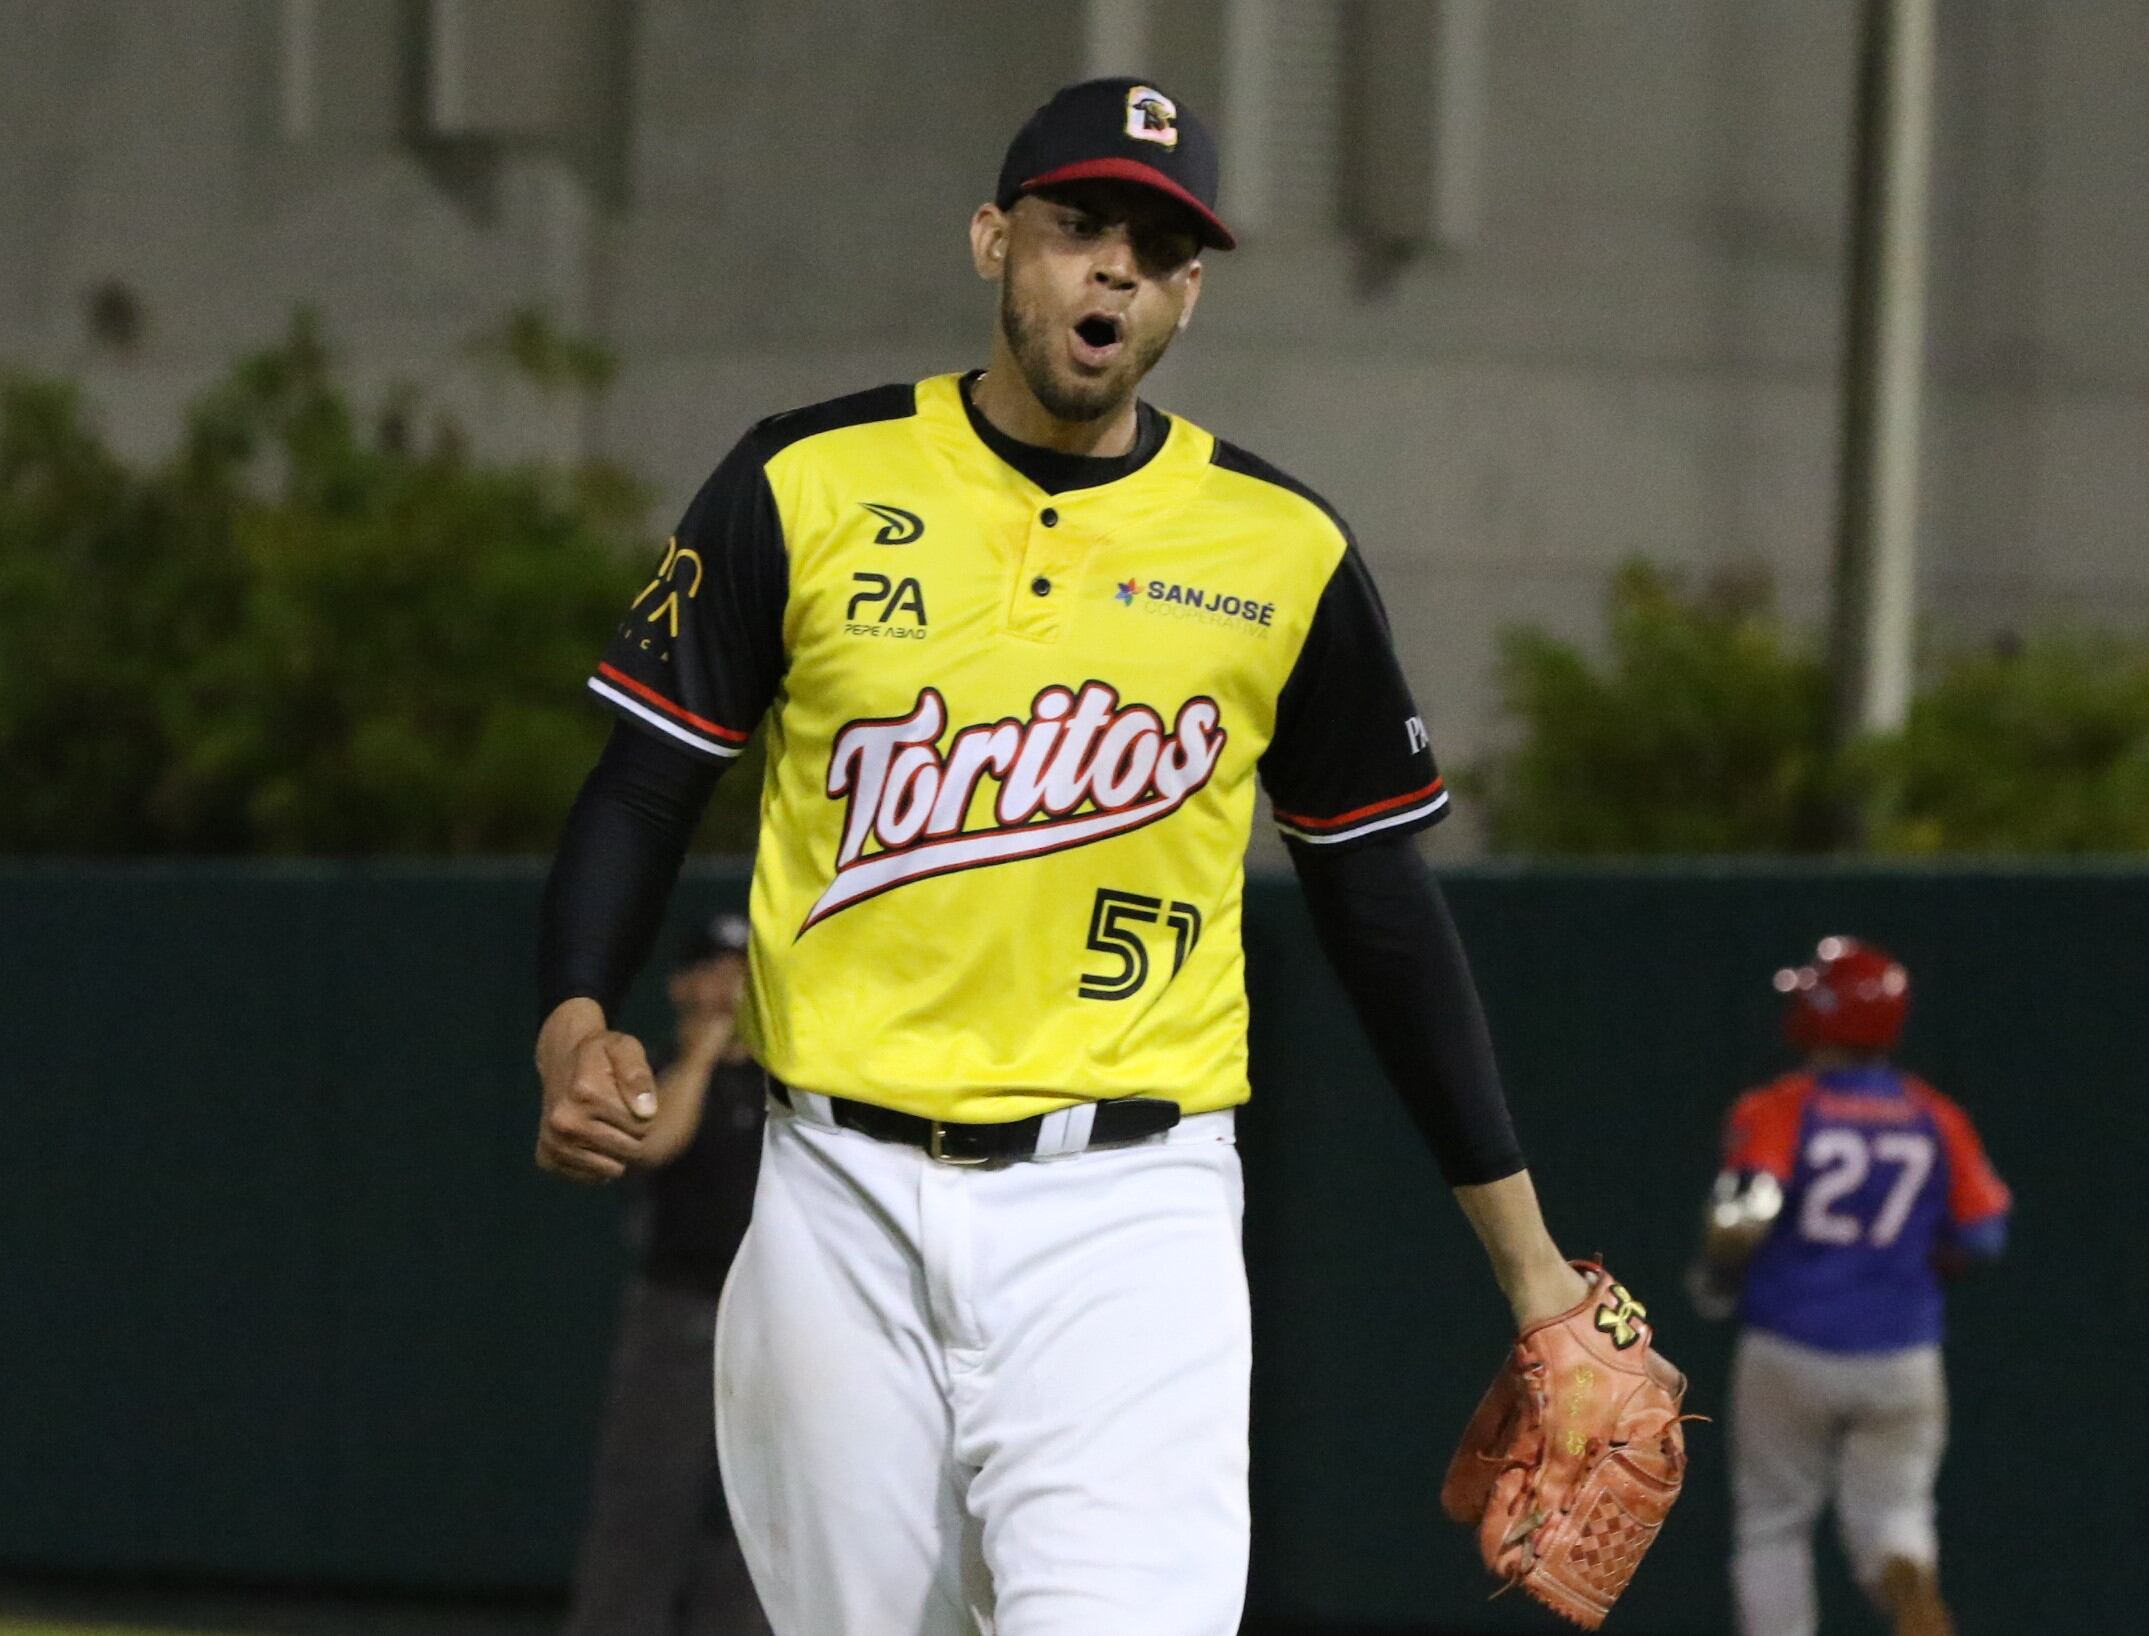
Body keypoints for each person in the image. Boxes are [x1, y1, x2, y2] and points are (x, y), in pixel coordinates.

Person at [529, 76, 1642, 1636]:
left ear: (1189, 292)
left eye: (1160, 247)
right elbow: (645, 786)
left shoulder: (1281, 548)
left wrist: (1530, 1267)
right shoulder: (806, 481)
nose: (1115, 266)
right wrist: (575, 1011)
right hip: (833, 1198)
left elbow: (1380, 909)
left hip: (1130, 1212)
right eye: (1078, 226)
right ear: (996, 240)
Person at [1689, 937, 2011, 1636]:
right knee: (1895, 1516)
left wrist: (1716, 1275)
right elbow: (1984, 1234)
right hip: (1901, 1352)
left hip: (1791, 1339)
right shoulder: (1933, 1114)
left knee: (1773, 1525)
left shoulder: (1782, 1106)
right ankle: (1903, 1576)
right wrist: (1916, 1260)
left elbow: (1746, 1212)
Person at [560, 913, 771, 1636]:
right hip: (677, 1315)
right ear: (681, 983)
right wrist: (708, 1049)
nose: (725, 986)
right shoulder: (656, 1072)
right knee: (646, 1510)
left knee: (754, 1521)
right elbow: (654, 1145)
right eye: (712, 969)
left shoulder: (787, 1085)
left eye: (741, 970)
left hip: (768, 1320)